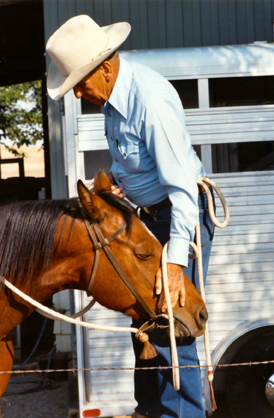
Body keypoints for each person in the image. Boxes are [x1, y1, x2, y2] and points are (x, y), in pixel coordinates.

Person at [46, 15, 215, 418]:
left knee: (175, 326)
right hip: (149, 215)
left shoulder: (149, 100)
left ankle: (185, 414)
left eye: (80, 84)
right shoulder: (111, 99)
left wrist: (173, 264)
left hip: (179, 219)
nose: (77, 95)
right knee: (143, 319)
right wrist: (119, 183)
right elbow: (137, 162)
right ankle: (150, 410)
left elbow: (183, 191)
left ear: (104, 68)